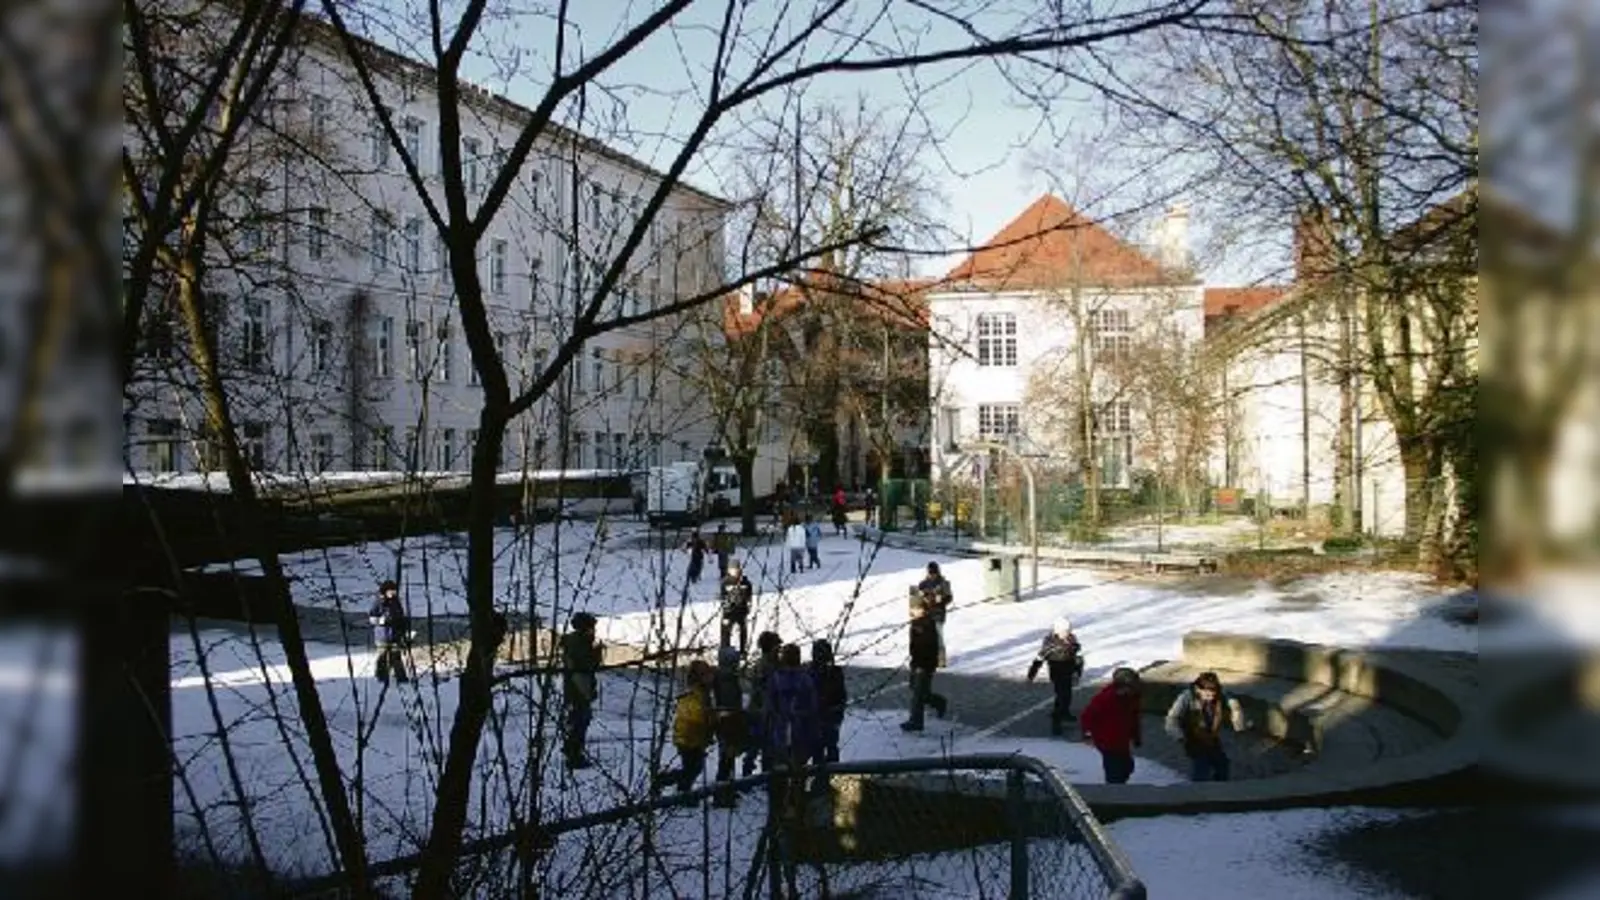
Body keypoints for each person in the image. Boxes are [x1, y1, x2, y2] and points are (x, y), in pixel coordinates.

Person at [764, 643, 820, 820]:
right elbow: (813, 709)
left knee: (781, 773)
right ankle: (795, 808)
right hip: (799, 733)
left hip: (782, 733)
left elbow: (770, 707)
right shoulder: (805, 679)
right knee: (798, 774)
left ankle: (779, 810)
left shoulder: (776, 678)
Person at [1164, 671, 1248, 782]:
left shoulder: (1220, 694)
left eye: (1213, 694)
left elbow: (1235, 707)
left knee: (1222, 765)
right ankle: (1199, 793)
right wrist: (1180, 736)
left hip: (1211, 736)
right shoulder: (1186, 697)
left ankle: (1220, 789)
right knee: (1201, 768)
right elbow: (1172, 719)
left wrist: (1239, 726)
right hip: (1193, 737)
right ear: (1198, 689)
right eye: (1207, 695)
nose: (1211, 698)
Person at [654, 659, 714, 794]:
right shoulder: (692, 694)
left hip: (695, 737)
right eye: (706, 675)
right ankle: (665, 781)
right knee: (692, 768)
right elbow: (694, 715)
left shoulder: (704, 693)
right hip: (688, 737)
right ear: (699, 677)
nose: (711, 678)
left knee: (694, 767)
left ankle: (682, 789)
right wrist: (710, 717)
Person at [1080, 667, 1144, 784]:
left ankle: (1118, 785)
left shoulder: (1132, 698)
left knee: (1127, 767)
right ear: (1120, 686)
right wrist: (1087, 734)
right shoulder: (1105, 698)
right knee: (1114, 772)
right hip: (1107, 741)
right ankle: (1114, 792)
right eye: (1129, 688)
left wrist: (1136, 737)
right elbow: (1087, 716)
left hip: (1122, 740)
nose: (1131, 690)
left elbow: (1134, 719)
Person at [1026, 618, 1085, 735]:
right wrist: (1031, 675)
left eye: (1068, 631)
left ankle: (1065, 713)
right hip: (1057, 673)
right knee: (1061, 696)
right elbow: (1039, 660)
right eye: (1065, 631)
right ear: (1057, 631)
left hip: (1069, 671)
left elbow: (1078, 658)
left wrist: (1078, 672)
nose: (1067, 633)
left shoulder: (1072, 640)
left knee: (1068, 694)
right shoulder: (1050, 645)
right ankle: (1056, 721)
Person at [560, 612, 603, 769]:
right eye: (592, 627)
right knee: (581, 720)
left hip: (574, 687)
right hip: (579, 687)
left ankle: (571, 748)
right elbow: (588, 665)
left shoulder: (574, 641)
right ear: (586, 628)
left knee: (576, 719)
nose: (594, 631)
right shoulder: (580, 643)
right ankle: (574, 755)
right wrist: (597, 652)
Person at [900, 597, 948, 731]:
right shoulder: (915, 624)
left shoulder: (927, 625)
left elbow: (930, 647)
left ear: (923, 610)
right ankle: (938, 702)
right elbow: (914, 646)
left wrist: (924, 665)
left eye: (916, 609)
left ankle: (916, 722)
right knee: (919, 691)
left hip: (925, 664)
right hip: (916, 662)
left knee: (917, 695)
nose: (913, 611)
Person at [710, 645, 748, 808]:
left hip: (731, 721)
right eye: (735, 660)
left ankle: (728, 789)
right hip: (726, 723)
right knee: (726, 758)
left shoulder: (728, 677)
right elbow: (723, 703)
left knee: (729, 757)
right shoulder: (723, 678)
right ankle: (721, 795)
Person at [808, 638, 847, 792]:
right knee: (823, 749)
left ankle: (826, 778)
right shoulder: (818, 672)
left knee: (826, 748)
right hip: (821, 717)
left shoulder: (831, 673)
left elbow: (840, 696)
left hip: (826, 717)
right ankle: (824, 778)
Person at [742, 631, 783, 776]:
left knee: (769, 750)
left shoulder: (776, 664)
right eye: (777, 645)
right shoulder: (763, 665)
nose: (779, 649)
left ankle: (765, 778)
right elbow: (759, 689)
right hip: (760, 714)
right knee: (755, 748)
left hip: (770, 714)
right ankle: (747, 780)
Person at [369, 580, 412, 685]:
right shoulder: (378, 602)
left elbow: (401, 617)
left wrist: (404, 629)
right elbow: (371, 618)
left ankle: (401, 677)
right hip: (382, 635)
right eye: (391, 591)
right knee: (382, 657)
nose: (393, 593)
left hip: (395, 634)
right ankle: (381, 677)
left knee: (396, 656)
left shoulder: (396, 602)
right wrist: (382, 621)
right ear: (385, 591)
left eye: (394, 591)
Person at [917, 562, 954, 667]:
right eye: (930, 572)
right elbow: (916, 600)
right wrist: (922, 599)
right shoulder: (922, 584)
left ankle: (941, 660)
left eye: (934, 573)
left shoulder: (944, 583)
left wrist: (941, 599)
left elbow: (949, 597)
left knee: (938, 638)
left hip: (938, 614)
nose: (932, 575)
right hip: (925, 615)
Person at [718, 562, 754, 654]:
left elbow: (749, 596)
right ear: (729, 570)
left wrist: (748, 606)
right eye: (733, 569)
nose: (736, 571)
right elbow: (723, 597)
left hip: (741, 610)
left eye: (737, 569)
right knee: (726, 631)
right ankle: (725, 648)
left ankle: (743, 649)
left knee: (743, 630)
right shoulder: (725, 582)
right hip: (729, 611)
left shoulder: (746, 582)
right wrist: (726, 607)